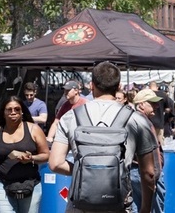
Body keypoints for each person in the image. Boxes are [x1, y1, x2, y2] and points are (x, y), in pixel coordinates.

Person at [49, 61, 159, 213]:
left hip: (79, 206)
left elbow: (55, 163)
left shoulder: (70, 117)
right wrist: (145, 208)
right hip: (119, 206)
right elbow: (149, 172)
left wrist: (85, 170)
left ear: (92, 85)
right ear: (119, 86)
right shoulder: (136, 120)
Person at [0, 96, 49, 213]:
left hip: (30, 184)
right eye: (9, 109)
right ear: (3, 112)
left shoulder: (34, 129)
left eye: (17, 109)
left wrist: (31, 158)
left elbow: (46, 155)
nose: (13, 112)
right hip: (2, 184)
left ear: (22, 111)